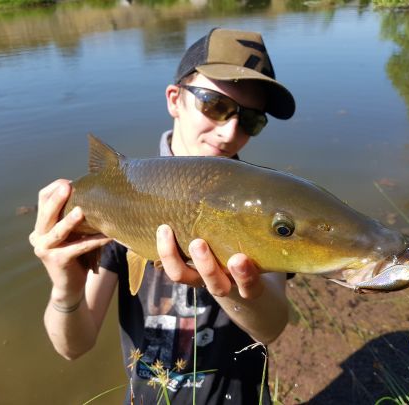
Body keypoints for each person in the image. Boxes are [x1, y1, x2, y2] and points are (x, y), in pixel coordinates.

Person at [29, 27, 296, 404]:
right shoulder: (116, 204)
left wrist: (237, 289)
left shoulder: (263, 208)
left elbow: (270, 328)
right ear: (175, 99)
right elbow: (74, 346)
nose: (230, 131)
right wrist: (66, 288)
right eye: (215, 105)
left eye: (251, 120)